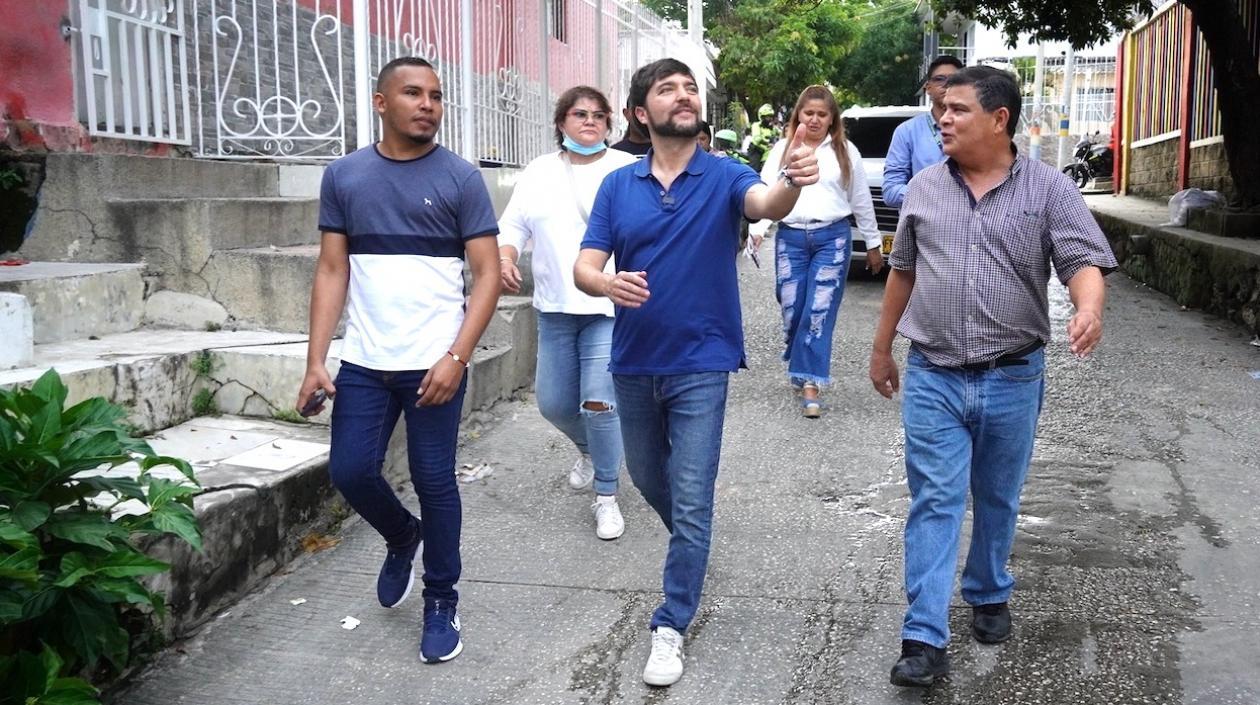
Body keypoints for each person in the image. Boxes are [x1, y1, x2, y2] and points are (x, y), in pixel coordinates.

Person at [868, 66, 1118, 687]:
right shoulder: (924, 187)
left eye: (956, 109)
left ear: (998, 118)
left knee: (999, 496)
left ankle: (987, 588)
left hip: (1013, 375)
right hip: (935, 374)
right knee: (935, 500)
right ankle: (924, 635)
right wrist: (881, 349)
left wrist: (1088, 307)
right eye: (940, 109)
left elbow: (1083, 259)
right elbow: (903, 269)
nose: (941, 118)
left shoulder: (1049, 188)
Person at [573, 58, 819, 688]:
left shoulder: (725, 174)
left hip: (702, 362)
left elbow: (768, 203)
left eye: (690, 88)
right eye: (667, 90)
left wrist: (792, 178)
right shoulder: (618, 186)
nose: (684, 96)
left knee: (692, 492)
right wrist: (606, 282)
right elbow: (586, 266)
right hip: (631, 359)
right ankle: (693, 538)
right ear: (639, 114)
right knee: (649, 477)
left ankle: (671, 621)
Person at [296, 56, 501, 665]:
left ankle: (441, 597)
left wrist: (457, 357)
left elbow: (488, 275)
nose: (428, 104)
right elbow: (333, 269)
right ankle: (400, 534)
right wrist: (316, 361)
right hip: (364, 361)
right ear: (381, 102)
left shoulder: (462, 178)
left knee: (434, 479)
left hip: (435, 363)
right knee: (350, 472)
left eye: (436, 95)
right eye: (413, 93)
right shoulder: (345, 176)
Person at [497, 86, 637, 540]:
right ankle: (590, 451)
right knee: (554, 404)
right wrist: (504, 257)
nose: (590, 121)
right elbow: (513, 226)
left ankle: (607, 498)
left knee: (598, 403)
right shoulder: (539, 171)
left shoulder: (626, 169)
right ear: (562, 122)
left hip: (607, 306)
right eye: (580, 114)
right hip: (554, 308)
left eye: (599, 115)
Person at [749, 85, 883, 418]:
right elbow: (764, 192)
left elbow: (860, 199)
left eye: (822, 114)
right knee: (793, 308)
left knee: (818, 309)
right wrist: (757, 230)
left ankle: (811, 382)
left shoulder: (845, 150)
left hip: (832, 239)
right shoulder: (783, 148)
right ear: (798, 115)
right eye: (808, 113)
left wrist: (873, 242)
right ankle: (800, 357)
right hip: (791, 237)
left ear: (832, 119)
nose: (814, 119)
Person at [881, 55, 964, 208]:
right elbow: (890, 191)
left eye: (954, 80)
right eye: (940, 79)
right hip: (921, 226)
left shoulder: (973, 128)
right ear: (928, 88)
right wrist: (934, 195)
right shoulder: (907, 132)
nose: (946, 84)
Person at [747, 102, 781, 170]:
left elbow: (782, 133)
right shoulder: (756, 125)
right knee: (754, 168)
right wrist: (767, 142)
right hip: (757, 150)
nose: (770, 119)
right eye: (768, 116)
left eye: (771, 116)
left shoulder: (773, 128)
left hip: (768, 151)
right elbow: (757, 139)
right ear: (762, 117)